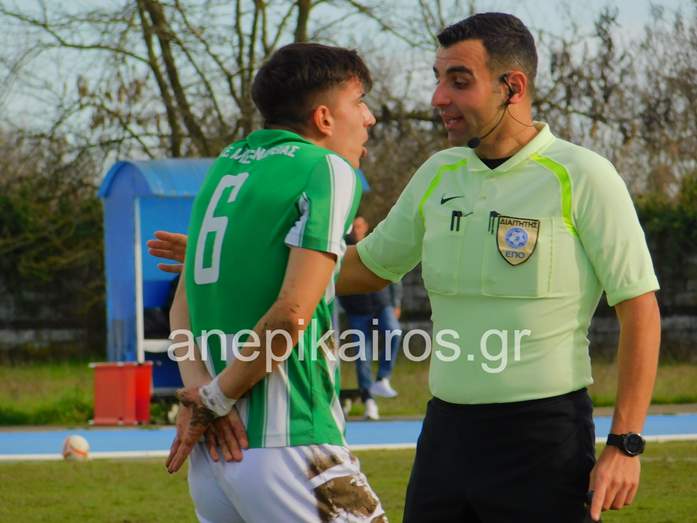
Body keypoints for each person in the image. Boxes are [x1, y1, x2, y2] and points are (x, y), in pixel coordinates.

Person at [151, 13, 661, 523]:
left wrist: (626, 442)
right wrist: (242, 253)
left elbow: (639, 310)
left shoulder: (583, 175)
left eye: (458, 81)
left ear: (513, 87)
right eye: (438, 79)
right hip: (445, 438)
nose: (438, 97)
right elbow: (362, 268)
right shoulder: (438, 173)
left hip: (544, 438)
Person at [151, 42, 386, 523]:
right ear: (324, 117)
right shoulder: (327, 168)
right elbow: (292, 314)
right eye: (359, 101)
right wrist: (212, 400)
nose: (369, 117)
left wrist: (201, 392)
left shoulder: (228, 164)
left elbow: (182, 307)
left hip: (215, 455)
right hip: (293, 446)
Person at [338, 216, 403, 421]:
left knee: (394, 332)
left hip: (381, 304)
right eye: (353, 226)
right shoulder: (342, 248)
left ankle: (383, 378)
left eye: (360, 226)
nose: (356, 230)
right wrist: (346, 305)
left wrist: (396, 303)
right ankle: (368, 400)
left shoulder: (376, 242)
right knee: (362, 357)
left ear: (365, 227)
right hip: (357, 310)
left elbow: (394, 272)